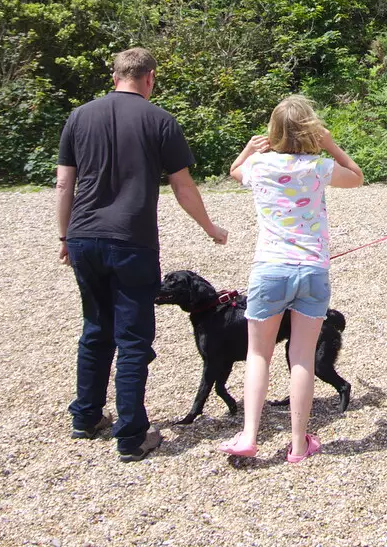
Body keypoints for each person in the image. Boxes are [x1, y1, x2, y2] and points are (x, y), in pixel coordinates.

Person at [56, 47, 229, 461]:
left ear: (114, 75)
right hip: (131, 240)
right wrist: (210, 228)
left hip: (83, 237)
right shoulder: (160, 121)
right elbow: (183, 187)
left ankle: (86, 416)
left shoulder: (79, 117)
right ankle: (131, 434)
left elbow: (64, 185)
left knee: (95, 328)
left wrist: (64, 237)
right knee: (133, 338)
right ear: (149, 77)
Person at [218, 95, 364, 464]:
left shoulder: (260, 166)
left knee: (258, 354)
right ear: (310, 129)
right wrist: (330, 143)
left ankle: (250, 435)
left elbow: (235, 172)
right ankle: (299, 443)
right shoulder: (318, 167)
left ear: (273, 130)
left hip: (270, 268)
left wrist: (246, 151)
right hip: (313, 268)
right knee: (301, 357)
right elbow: (357, 177)